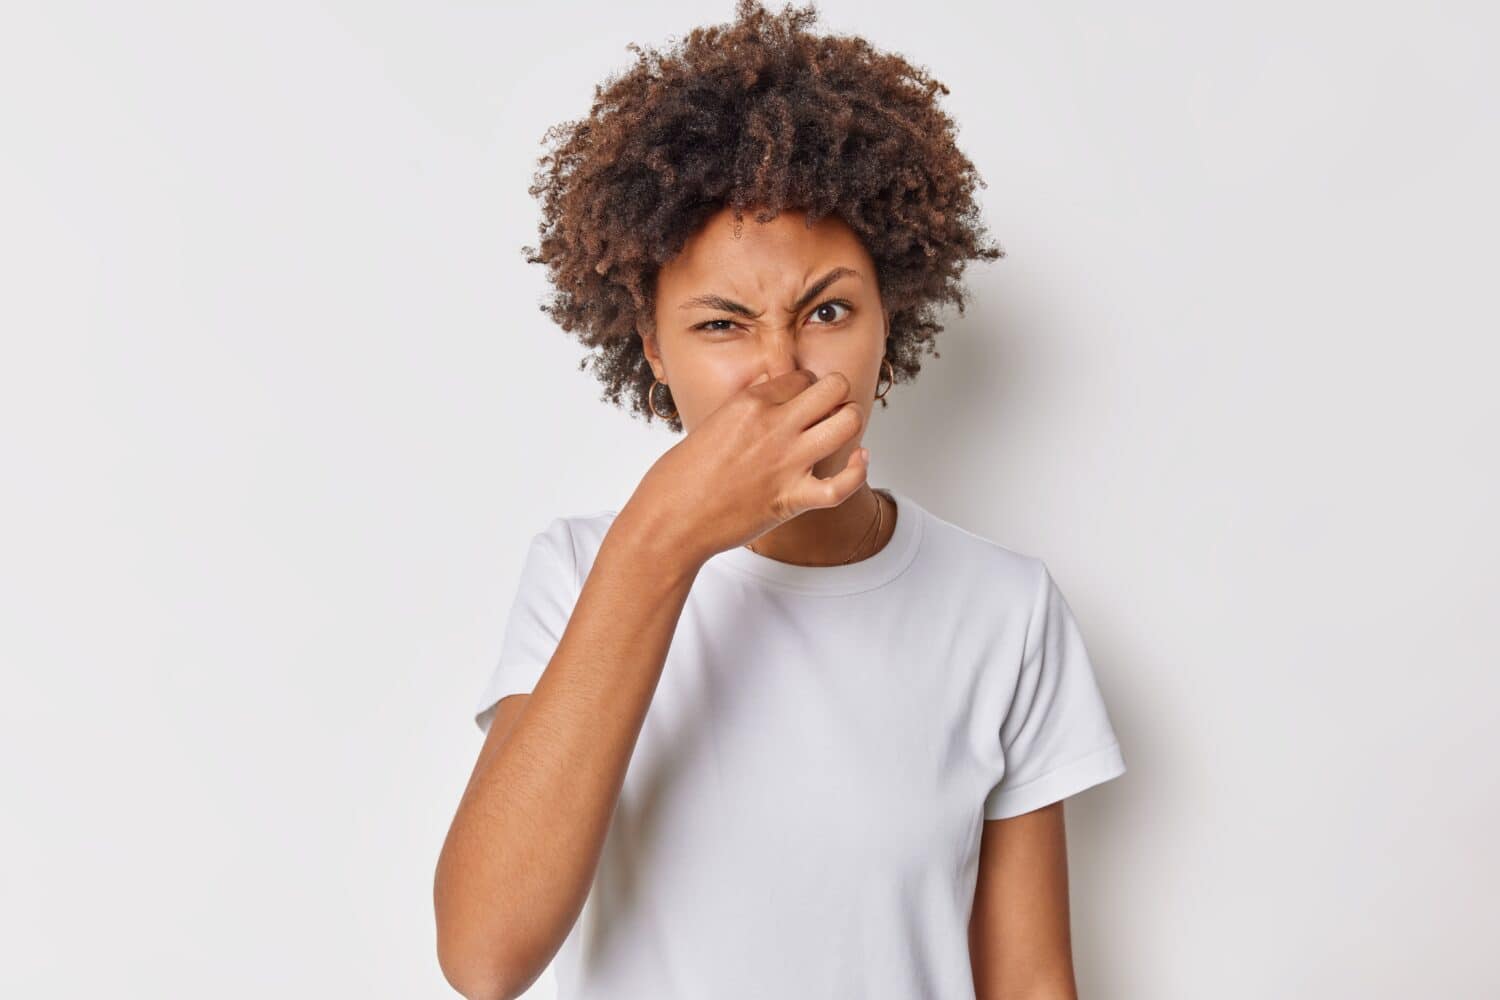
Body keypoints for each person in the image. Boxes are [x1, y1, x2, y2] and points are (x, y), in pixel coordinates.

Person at [433, 3, 1126, 998]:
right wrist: (664, 538)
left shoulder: (1004, 609)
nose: (780, 369)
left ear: (894, 320)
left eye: (828, 311)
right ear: (654, 348)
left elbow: (1028, 981)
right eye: (722, 324)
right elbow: (483, 955)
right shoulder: (587, 571)